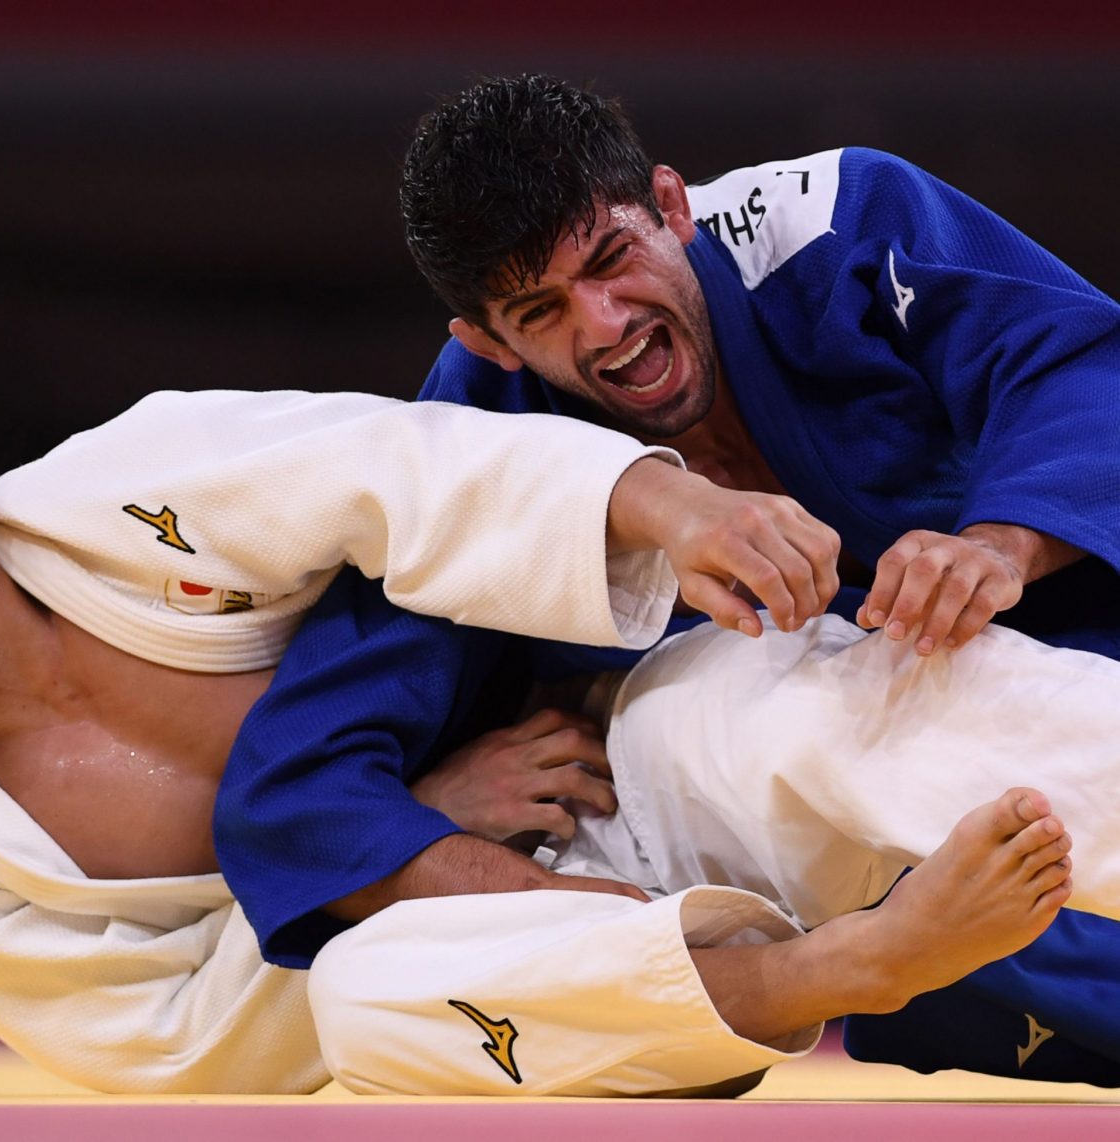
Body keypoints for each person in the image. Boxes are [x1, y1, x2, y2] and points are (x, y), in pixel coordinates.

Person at [213, 73, 1120, 1088]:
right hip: (768, 878)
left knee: (868, 719)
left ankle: (860, 956)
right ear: (485, 339)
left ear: (673, 205)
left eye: (613, 258)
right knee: (362, 998)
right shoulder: (469, 456)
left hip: (1040, 708)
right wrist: (472, 850)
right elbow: (294, 787)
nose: (602, 323)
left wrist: (1000, 543)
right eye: (540, 308)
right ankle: (836, 966)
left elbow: (1079, 368)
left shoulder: (833, 226)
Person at [0, 338, 862, 1094]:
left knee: (813, 724)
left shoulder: (137, 476)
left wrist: (672, 512)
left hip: (608, 735)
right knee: (369, 1006)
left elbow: (416, 466)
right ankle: (803, 976)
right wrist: (397, 844)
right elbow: (190, 1045)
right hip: (520, 970)